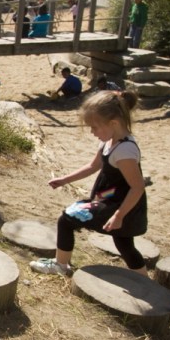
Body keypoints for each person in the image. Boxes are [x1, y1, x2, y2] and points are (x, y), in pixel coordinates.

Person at [29, 90, 148, 278]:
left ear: (113, 123)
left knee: (67, 219)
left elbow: (137, 187)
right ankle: (144, 279)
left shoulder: (125, 150)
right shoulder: (110, 141)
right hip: (112, 200)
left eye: (94, 127)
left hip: (120, 206)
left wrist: (118, 216)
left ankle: (61, 265)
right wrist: (64, 179)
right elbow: (92, 167)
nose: (92, 132)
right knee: (124, 243)